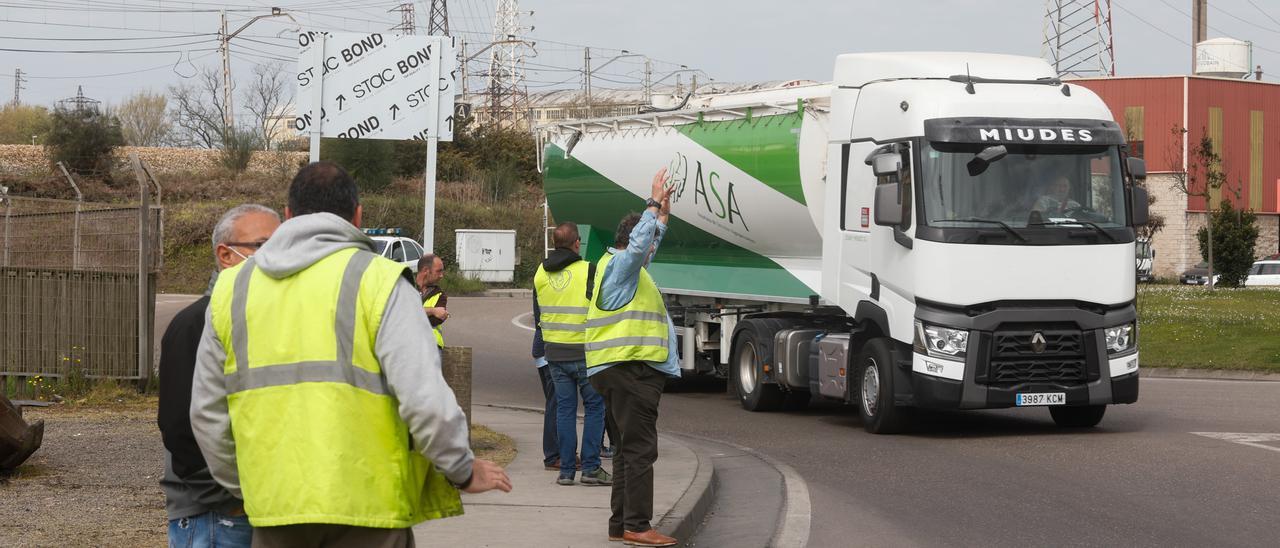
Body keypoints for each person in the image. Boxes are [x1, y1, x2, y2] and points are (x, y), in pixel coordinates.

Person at [190, 162, 511, 548]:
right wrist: (461, 470)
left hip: (275, 511)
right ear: (358, 215)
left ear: (288, 215)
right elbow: (425, 400)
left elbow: (207, 414)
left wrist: (248, 488)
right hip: (370, 514)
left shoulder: (232, 289)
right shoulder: (381, 282)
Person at [159, 204, 279, 548]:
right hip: (217, 518)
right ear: (226, 255)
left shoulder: (264, 320)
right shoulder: (196, 323)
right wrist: (230, 501)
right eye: (264, 246)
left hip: (258, 512)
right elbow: (181, 426)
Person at [586, 168, 681, 548]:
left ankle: (620, 524)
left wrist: (663, 217)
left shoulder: (624, 270)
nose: (651, 251)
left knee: (626, 450)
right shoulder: (622, 267)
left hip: (618, 370)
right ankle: (638, 526)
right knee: (641, 449)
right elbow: (641, 246)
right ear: (632, 241)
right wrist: (652, 203)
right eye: (647, 241)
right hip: (631, 371)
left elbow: (646, 246)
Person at [535, 222, 611, 487]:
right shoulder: (588, 271)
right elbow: (602, 308)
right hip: (585, 353)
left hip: (554, 353)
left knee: (564, 411)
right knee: (594, 408)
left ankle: (566, 471)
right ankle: (590, 468)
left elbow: (538, 314)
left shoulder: (540, 273)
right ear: (577, 243)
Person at [531, 319, 561, 471]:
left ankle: (560, 452)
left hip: (546, 347)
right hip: (550, 348)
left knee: (557, 404)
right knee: (556, 404)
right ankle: (553, 455)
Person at [417, 254, 448, 348]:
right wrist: (433, 311)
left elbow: (435, 320)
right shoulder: (406, 287)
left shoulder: (440, 295)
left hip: (432, 346)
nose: (441, 275)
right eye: (438, 271)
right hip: (407, 345)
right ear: (426, 270)